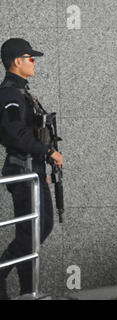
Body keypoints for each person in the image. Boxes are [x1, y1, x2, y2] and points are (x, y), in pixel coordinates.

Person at [0, 38, 63, 299]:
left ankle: (28, 292)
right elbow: (15, 134)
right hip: (23, 170)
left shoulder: (22, 92)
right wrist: (47, 151)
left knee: (39, 228)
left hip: (33, 170)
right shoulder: (9, 94)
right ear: (17, 61)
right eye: (31, 58)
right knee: (32, 231)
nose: (34, 63)